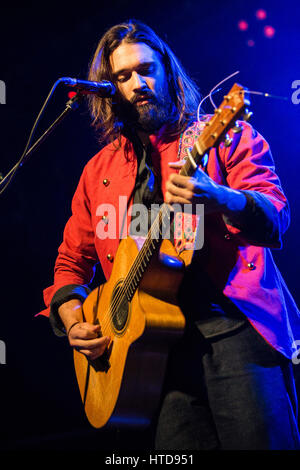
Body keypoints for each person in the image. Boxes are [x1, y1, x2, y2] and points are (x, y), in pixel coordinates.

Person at [39, 20, 300, 450]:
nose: (137, 84)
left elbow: (277, 215)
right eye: (122, 77)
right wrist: (73, 321)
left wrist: (221, 198)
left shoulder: (222, 135)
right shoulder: (98, 172)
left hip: (232, 330)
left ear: (168, 71)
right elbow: (70, 264)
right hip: (153, 357)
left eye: (146, 69)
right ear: (109, 89)